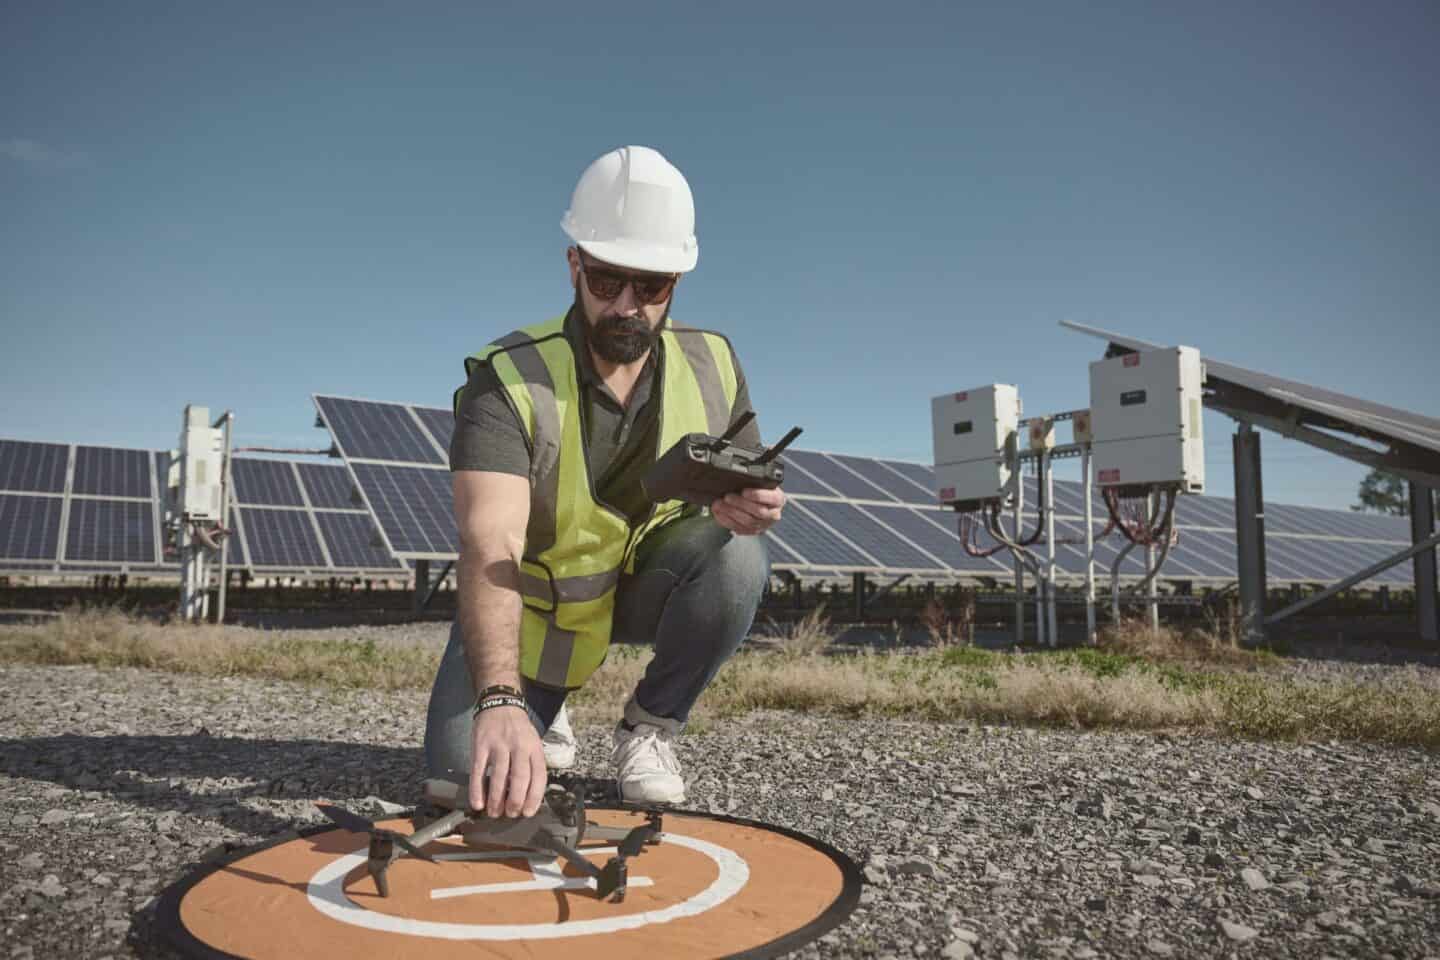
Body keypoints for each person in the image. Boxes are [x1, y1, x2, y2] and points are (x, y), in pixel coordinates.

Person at [424, 145, 784, 819]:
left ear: (676, 278)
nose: (626, 306)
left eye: (650, 287)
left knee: (738, 558)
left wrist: (756, 505)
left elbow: (746, 483)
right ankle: (538, 707)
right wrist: (500, 700)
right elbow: (491, 542)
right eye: (606, 281)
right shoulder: (507, 378)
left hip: (641, 586)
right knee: (457, 784)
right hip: (533, 611)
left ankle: (650, 726)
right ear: (574, 267)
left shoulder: (713, 363)